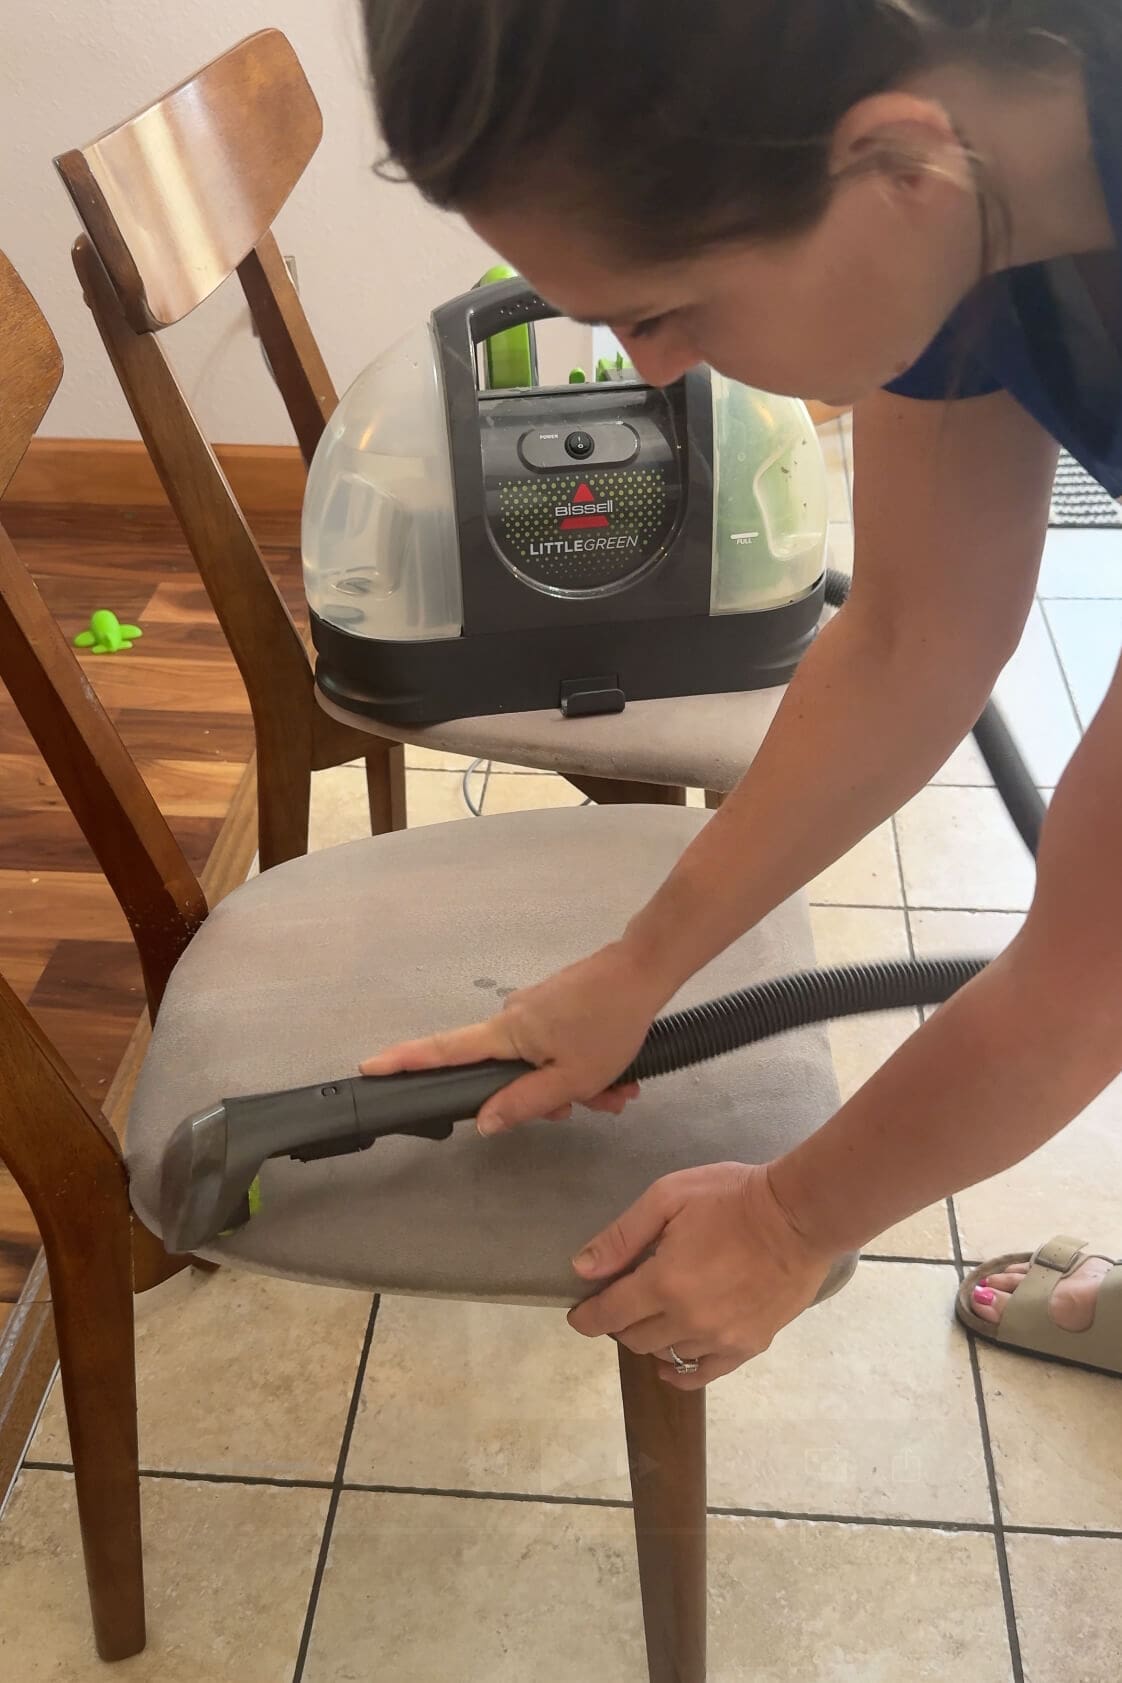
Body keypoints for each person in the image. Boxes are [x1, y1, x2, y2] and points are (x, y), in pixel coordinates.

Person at [358, 0, 1122, 1388]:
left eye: (662, 310)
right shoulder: (960, 187)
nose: (646, 366)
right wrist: (638, 967)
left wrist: (788, 1220)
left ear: (893, 163)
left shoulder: (930, 172)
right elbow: (911, 634)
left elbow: (1093, 967)